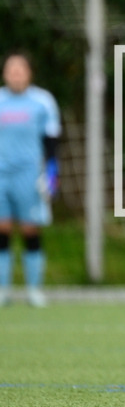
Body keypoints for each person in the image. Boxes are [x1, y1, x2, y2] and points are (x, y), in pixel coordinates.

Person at [0, 53, 62, 308]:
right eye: (11, 69)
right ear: (5, 73)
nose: (16, 74)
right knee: (2, 229)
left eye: (20, 69)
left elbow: (51, 140)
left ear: (29, 73)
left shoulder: (42, 101)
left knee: (30, 229)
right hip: (1, 175)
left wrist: (52, 173)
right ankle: (3, 290)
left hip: (29, 175)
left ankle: (34, 290)